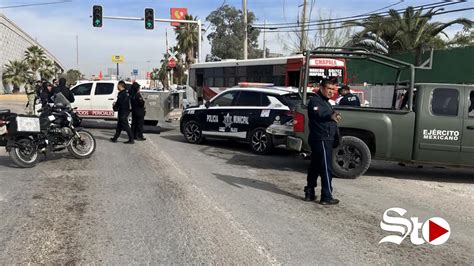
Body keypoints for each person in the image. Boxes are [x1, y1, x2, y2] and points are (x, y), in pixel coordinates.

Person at [304, 78, 341, 205]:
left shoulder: (326, 102)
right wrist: (329, 116)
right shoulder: (315, 101)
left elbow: (328, 116)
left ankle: (309, 191)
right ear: (321, 88)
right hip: (321, 139)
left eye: (333, 89)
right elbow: (318, 114)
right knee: (326, 168)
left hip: (325, 138)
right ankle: (326, 196)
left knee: (315, 166)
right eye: (328, 89)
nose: (331, 91)